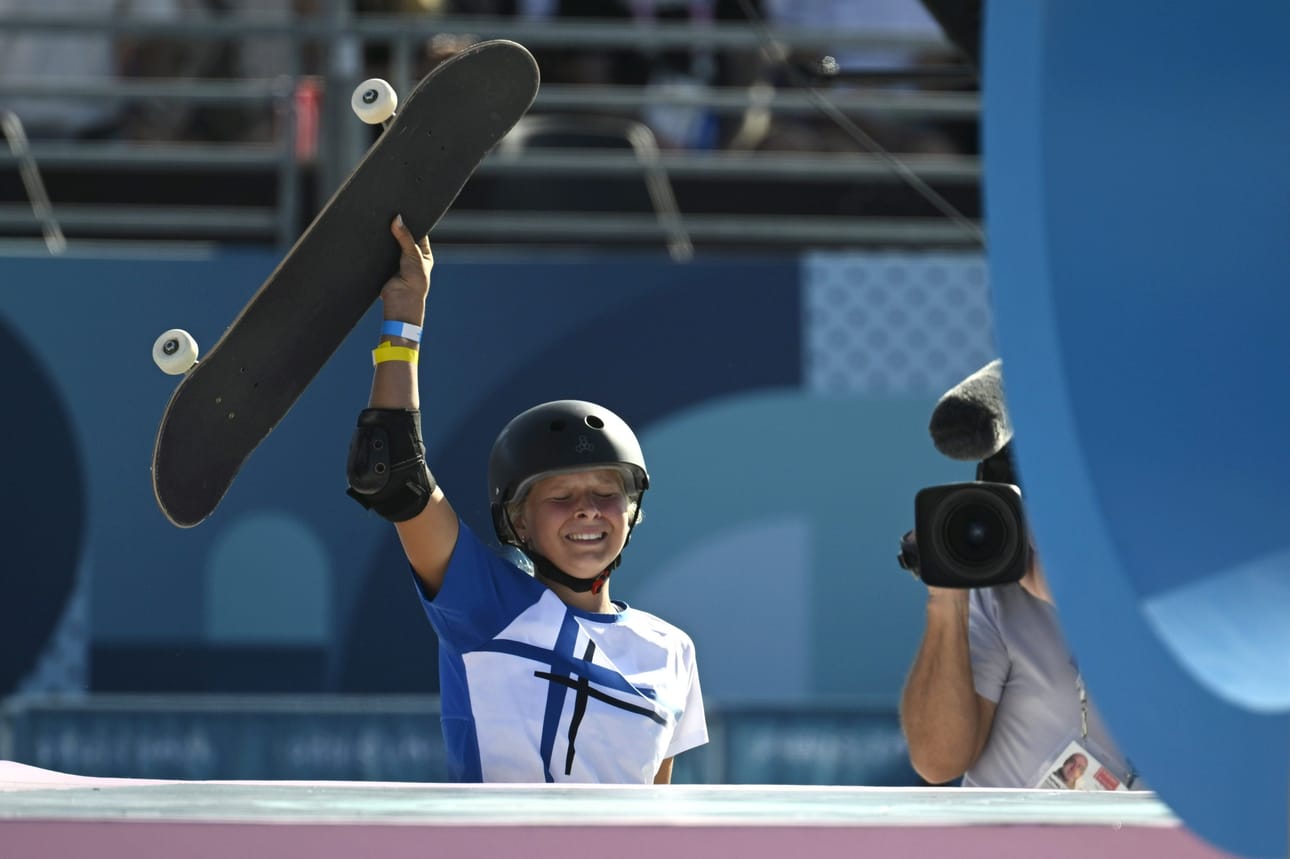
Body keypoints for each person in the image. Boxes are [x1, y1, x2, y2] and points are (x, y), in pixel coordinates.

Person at [344, 215, 708, 783]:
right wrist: (404, 320)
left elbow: (654, 816)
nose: (588, 508)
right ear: (518, 520)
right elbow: (392, 475)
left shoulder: (673, 650)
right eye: (561, 495)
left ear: (632, 512)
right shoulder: (485, 606)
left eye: (606, 493)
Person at [898, 362, 1140, 791]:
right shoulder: (999, 588)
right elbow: (938, 761)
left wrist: (1078, 602)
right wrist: (948, 593)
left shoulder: (1188, 585)